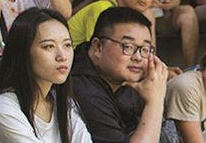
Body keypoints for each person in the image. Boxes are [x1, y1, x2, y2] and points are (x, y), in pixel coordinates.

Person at [0, 9, 92, 142]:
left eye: (67, 45)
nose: (62, 56)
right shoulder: (2, 111)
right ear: (23, 52)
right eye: (48, 46)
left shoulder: (63, 102)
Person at [70, 7, 169, 142]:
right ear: (98, 47)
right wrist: (155, 101)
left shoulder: (127, 76)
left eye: (145, 49)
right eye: (128, 46)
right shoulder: (82, 89)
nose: (138, 57)